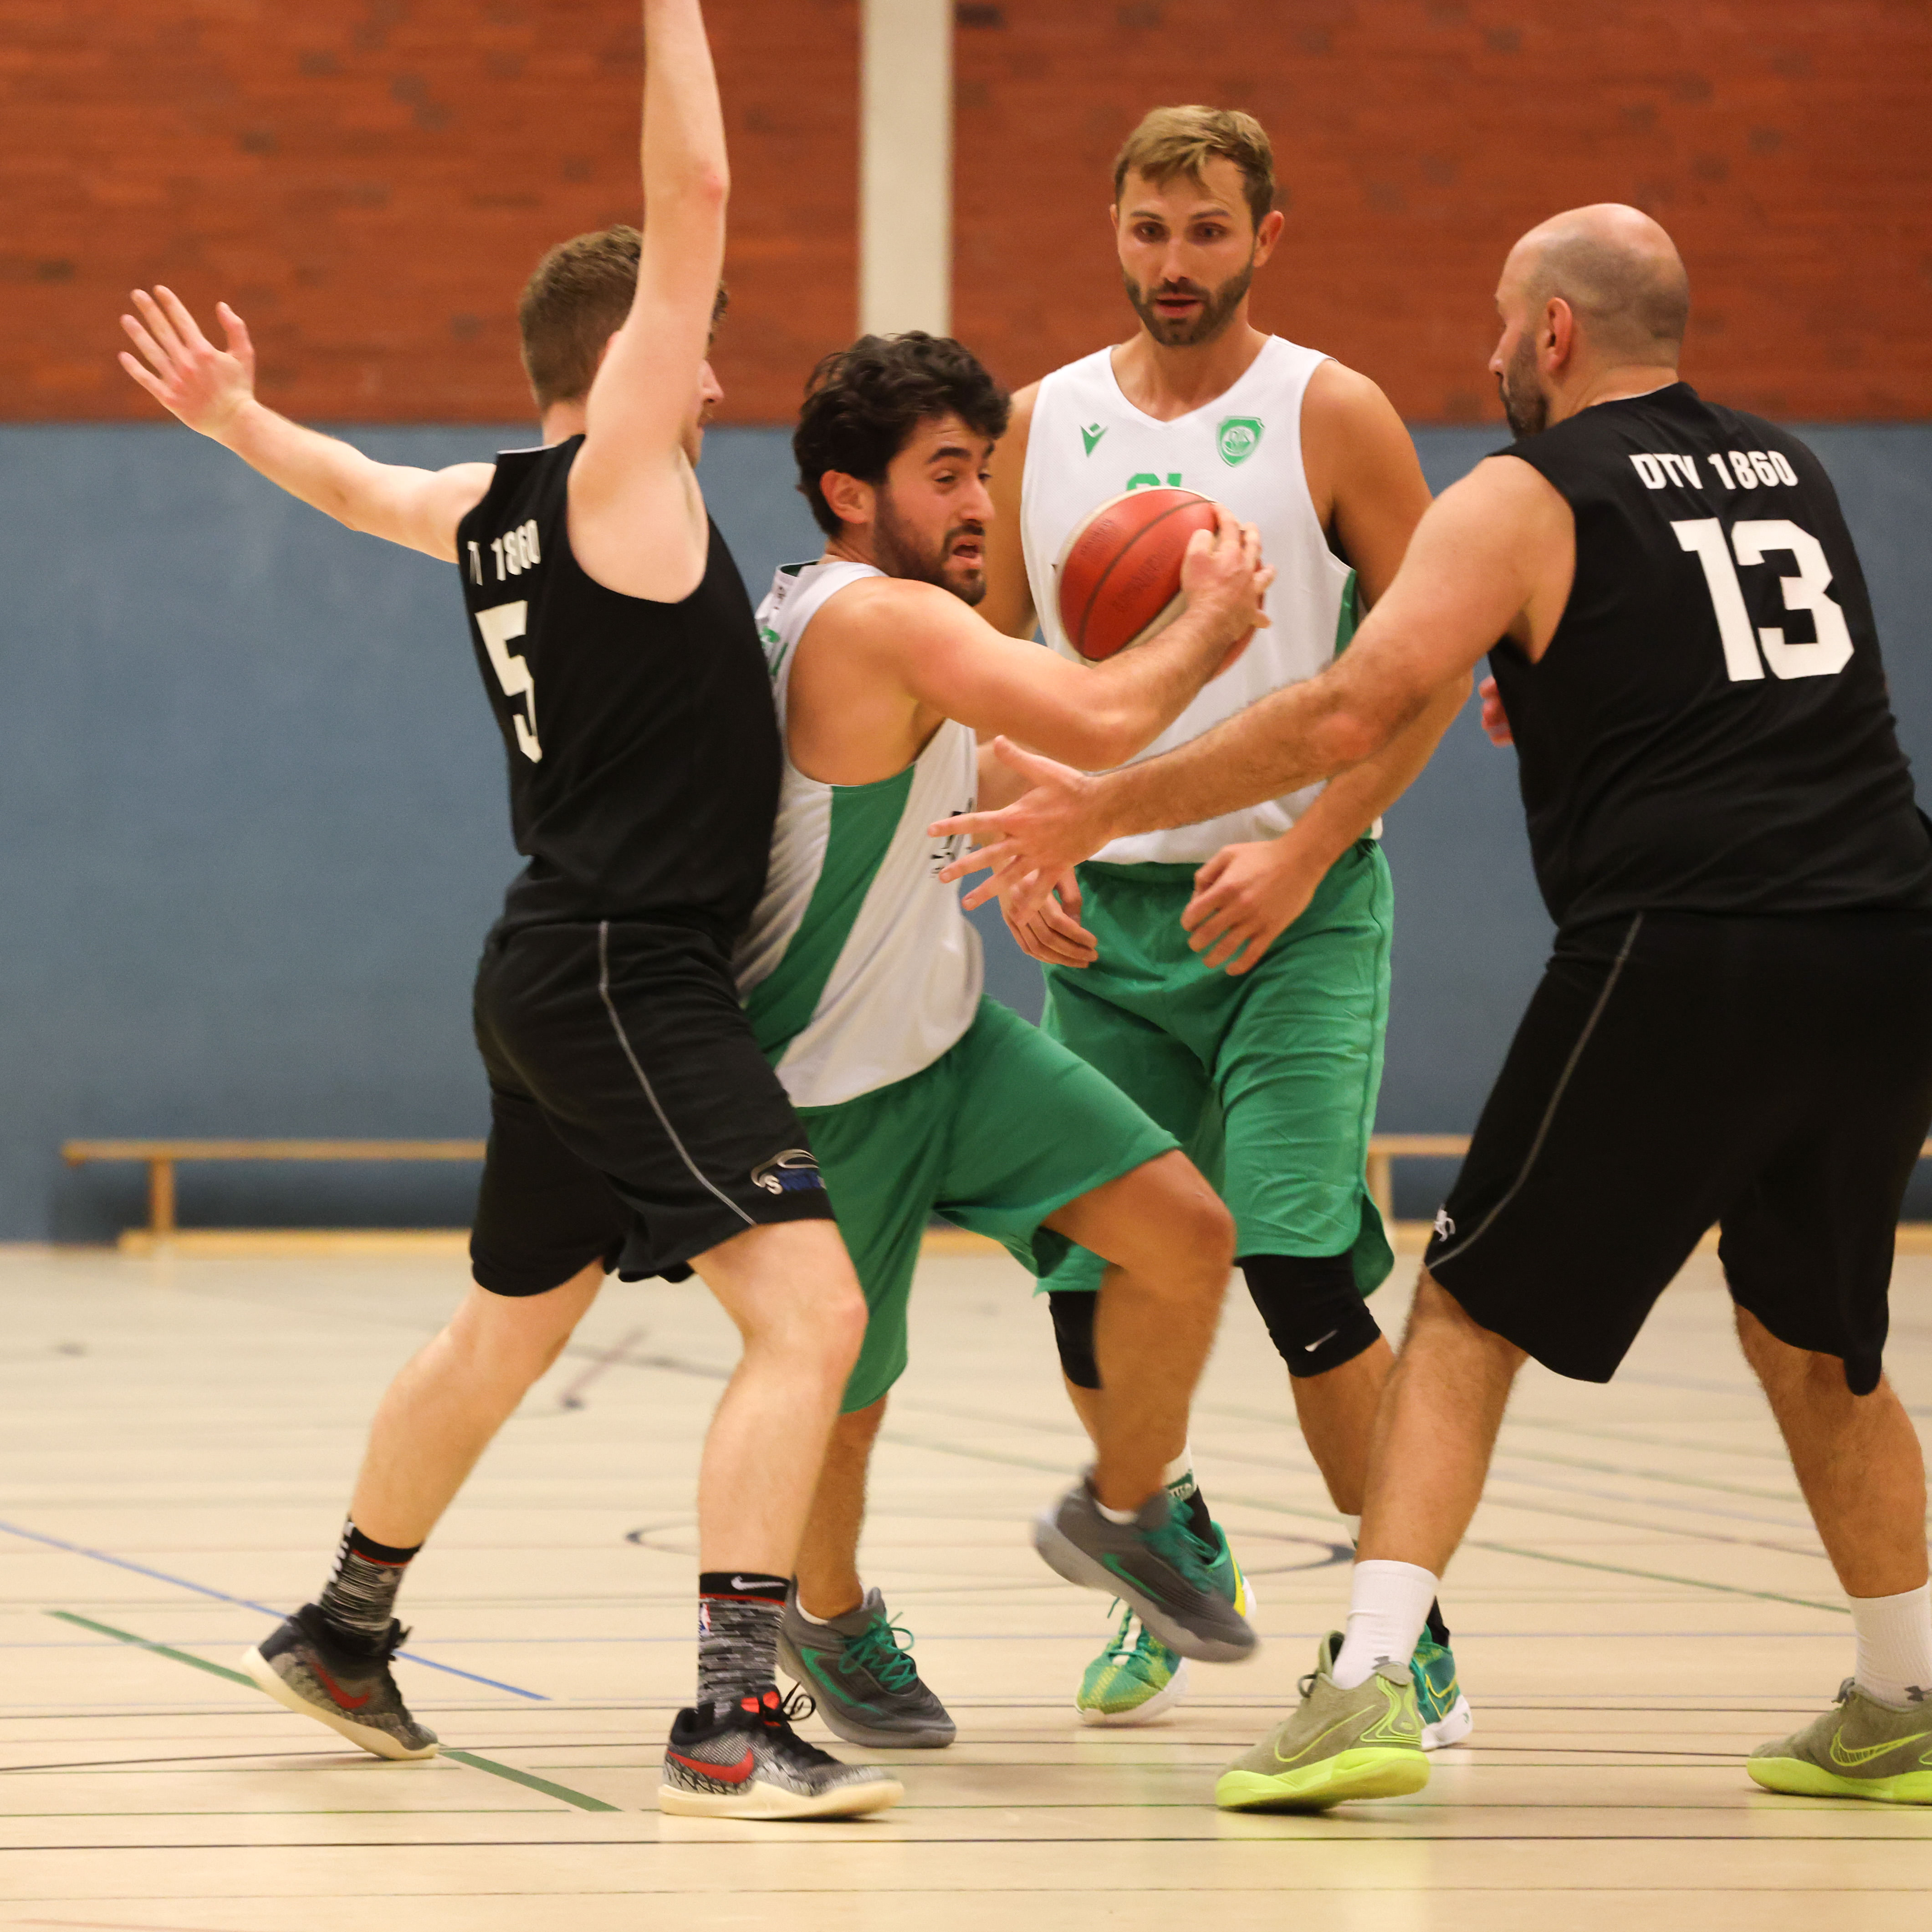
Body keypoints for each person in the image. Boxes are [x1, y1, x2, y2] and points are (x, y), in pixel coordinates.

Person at [936, 202, 1932, 1811]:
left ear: (1553, 332)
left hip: (1686, 940)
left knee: (1463, 1316)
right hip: (1888, 937)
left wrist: (1096, 806)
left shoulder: (1525, 490)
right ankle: (1905, 1696)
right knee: (1816, 1340)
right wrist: (1554, 679)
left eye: (1499, 322)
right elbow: (1729, 674)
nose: (1487, 353)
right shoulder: (1789, 469)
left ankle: (1370, 1684)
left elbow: (1341, 710)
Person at [115, 0, 904, 1824]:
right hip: (629, 969)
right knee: (811, 1311)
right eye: (694, 348)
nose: (714, 384)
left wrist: (233, 418)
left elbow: (351, 485)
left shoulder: (489, 505)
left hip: (550, 968)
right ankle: (729, 1717)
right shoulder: (627, 474)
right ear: (634, 355)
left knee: (504, 1328)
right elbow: (695, 187)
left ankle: (344, 1625)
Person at [976, 103, 1470, 1737]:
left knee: (1295, 1261)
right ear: (1112, 232)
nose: (1173, 260)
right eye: (1147, 229)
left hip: (1289, 908)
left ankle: (1404, 1630)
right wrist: (1027, 846)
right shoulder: (1038, 422)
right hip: (1107, 925)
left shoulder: (1332, 413)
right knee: (1086, 1268)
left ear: (1266, 234)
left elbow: (1429, 662)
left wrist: (1313, 846)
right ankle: (1165, 1539)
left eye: (1204, 229)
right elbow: (982, 672)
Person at [741, 332, 1268, 1748]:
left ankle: (1125, 1508)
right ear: (849, 492)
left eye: (983, 469)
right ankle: (826, 1612)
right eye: (945, 474)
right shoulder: (874, 619)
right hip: (827, 1077)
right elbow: (1103, 715)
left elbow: (992, 753)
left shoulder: (865, 618)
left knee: (1184, 1233)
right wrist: (1210, 618)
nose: (980, 502)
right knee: (849, 1400)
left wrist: (1048, 829)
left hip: (946, 1043)